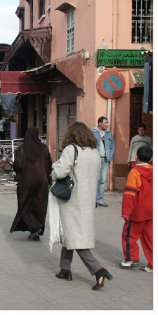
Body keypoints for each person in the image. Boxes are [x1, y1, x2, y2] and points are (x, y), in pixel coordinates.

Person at [49, 121, 113, 291]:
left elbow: (60, 172)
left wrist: (54, 168)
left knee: (75, 237)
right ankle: (65, 269)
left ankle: (98, 270)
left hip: (72, 199)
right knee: (69, 233)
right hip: (88, 199)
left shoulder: (71, 149)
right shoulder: (94, 152)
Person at [10, 127, 52, 241]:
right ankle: (36, 231)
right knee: (39, 206)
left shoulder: (22, 149)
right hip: (42, 181)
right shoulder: (44, 148)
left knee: (24, 205)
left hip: (27, 181)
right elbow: (49, 166)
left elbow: (18, 165)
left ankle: (34, 227)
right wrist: (49, 181)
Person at [120, 146, 153, 272]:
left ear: (136, 157)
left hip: (138, 212)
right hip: (151, 211)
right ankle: (152, 263)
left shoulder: (135, 172)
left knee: (129, 236)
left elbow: (130, 194)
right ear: (150, 159)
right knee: (150, 238)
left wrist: (126, 212)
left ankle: (131, 258)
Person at [92, 116, 115, 207]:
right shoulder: (93, 133)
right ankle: (92, 200)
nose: (107, 124)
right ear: (100, 123)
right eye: (105, 123)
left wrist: (110, 156)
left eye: (107, 123)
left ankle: (100, 200)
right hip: (95, 160)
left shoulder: (108, 134)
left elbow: (112, 146)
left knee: (102, 180)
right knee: (95, 180)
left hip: (105, 160)